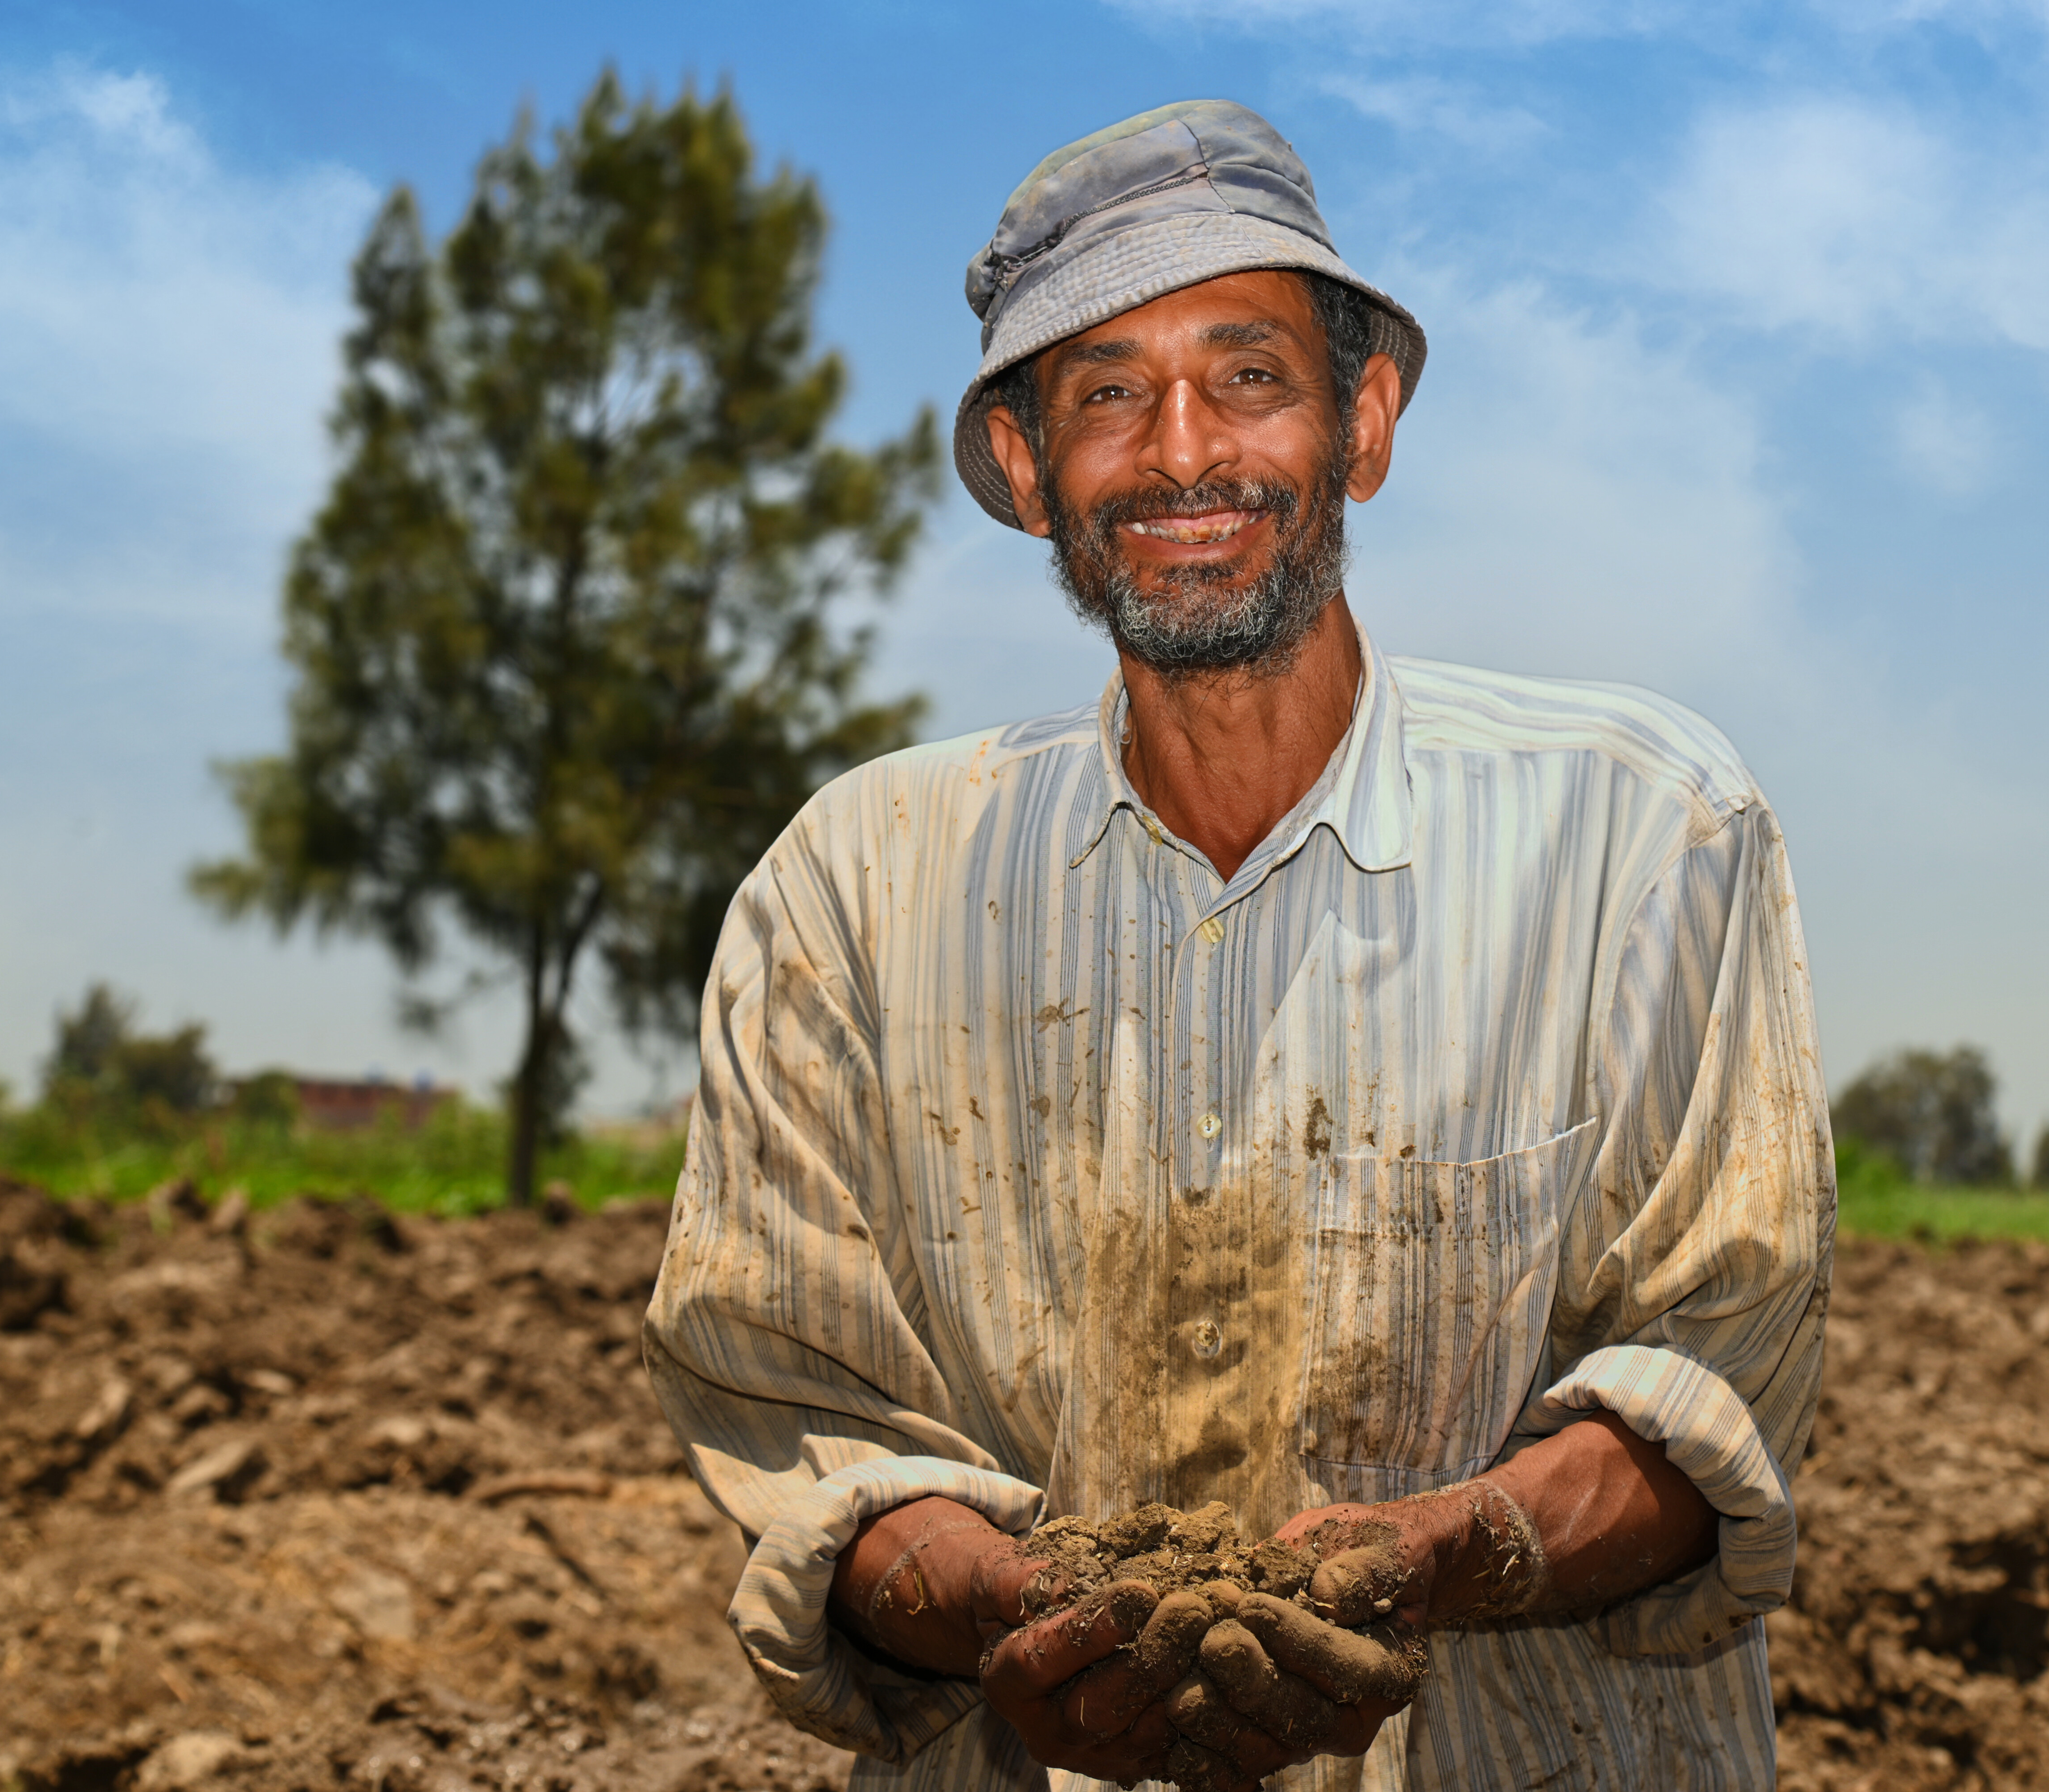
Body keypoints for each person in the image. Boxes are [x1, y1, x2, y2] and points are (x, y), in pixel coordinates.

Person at [642, 99, 1833, 1792]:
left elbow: (1718, 1382)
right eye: (1107, 393)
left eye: (1250, 377)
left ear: (1366, 418)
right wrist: (1017, 1617)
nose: (1183, 450)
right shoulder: (855, 885)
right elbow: (796, 1404)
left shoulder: (1647, 834)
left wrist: (1440, 1555)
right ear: (1020, 463)